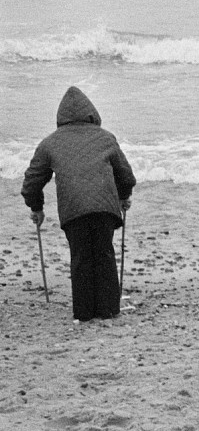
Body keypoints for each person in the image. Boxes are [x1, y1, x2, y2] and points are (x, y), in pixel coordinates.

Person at [21, 86, 137, 322]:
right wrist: (124, 197)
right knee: (104, 254)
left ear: (60, 117)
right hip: (105, 208)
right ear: (92, 113)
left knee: (81, 257)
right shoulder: (105, 137)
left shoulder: (49, 144)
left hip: (73, 210)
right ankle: (108, 311)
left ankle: (83, 314)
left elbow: (32, 182)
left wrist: (37, 208)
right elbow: (126, 175)